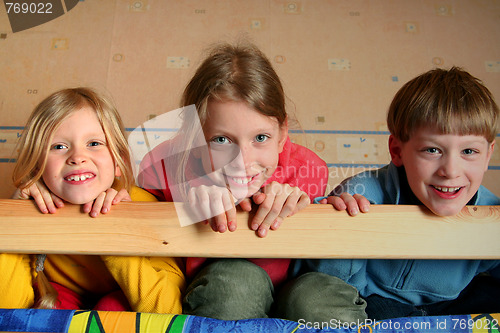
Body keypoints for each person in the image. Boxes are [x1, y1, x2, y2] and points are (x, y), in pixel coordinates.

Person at [137, 41, 368, 322]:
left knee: (317, 297)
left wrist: (321, 205)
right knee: (234, 284)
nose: (242, 161)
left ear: (282, 133)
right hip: (217, 290)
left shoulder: (307, 170)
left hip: (295, 289)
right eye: (221, 140)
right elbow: (133, 219)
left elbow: (322, 251)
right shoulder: (162, 166)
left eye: (260, 138)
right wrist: (188, 201)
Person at [291, 67, 500, 320]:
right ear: (397, 151)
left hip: (455, 301)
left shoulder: (491, 212)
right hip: (375, 299)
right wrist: (341, 228)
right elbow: (326, 278)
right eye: (432, 151)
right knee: (310, 296)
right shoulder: (363, 193)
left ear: (488, 154)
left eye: (469, 152)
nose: (451, 171)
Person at [0, 87, 185, 314]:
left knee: (111, 307)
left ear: (119, 162)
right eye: (59, 146)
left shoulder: (144, 206)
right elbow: (8, 311)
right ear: (37, 167)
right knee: (50, 308)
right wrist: (15, 220)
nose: (77, 157)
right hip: (64, 302)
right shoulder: (36, 210)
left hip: (124, 306)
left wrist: (113, 234)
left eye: (94, 144)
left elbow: (169, 313)